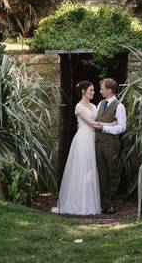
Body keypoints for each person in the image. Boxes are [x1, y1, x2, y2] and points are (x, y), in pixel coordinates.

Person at [51, 81, 103, 215]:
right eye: (91, 90)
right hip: (83, 139)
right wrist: (111, 124)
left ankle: (90, 203)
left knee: (91, 169)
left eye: (93, 90)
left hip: (93, 139)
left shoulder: (94, 106)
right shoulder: (79, 107)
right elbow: (91, 123)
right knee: (82, 168)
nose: (93, 92)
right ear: (83, 92)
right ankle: (78, 204)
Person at [93, 77, 126, 214]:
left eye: (102, 89)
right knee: (102, 174)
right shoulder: (100, 104)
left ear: (109, 90)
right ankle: (103, 203)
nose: (100, 91)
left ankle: (111, 203)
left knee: (112, 173)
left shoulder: (119, 106)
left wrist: (105, 128)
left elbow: (122, 127)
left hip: (111, 144)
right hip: (99, 144)